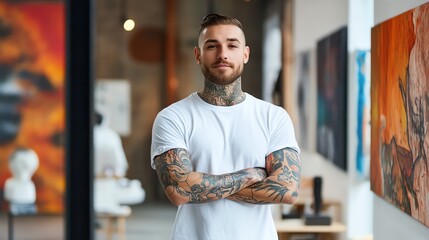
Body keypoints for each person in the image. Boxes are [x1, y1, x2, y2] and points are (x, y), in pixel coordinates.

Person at [151, 13, 301, 240]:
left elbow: (287, 190)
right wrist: (251, 174)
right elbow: (179, 191)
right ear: (198, 55)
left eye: (232, 45)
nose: (222, 54)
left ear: (245, 54)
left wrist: (200, 186)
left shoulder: (273, 117)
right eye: (212, 46)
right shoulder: (173, 117)